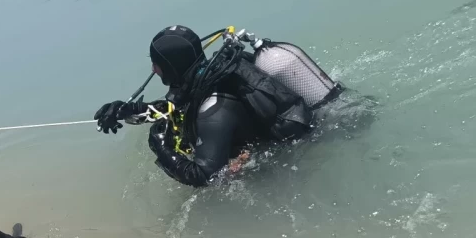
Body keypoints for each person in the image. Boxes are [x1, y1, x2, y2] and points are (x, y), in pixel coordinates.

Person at [93, 26, 338, 187]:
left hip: (295, 158)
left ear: (170, 67)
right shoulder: (204, 75)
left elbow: (204, 177)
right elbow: (173, 107)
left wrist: (161, 148)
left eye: (156, 64)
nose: (152, 70)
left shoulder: (214, 109)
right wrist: (125, 111)